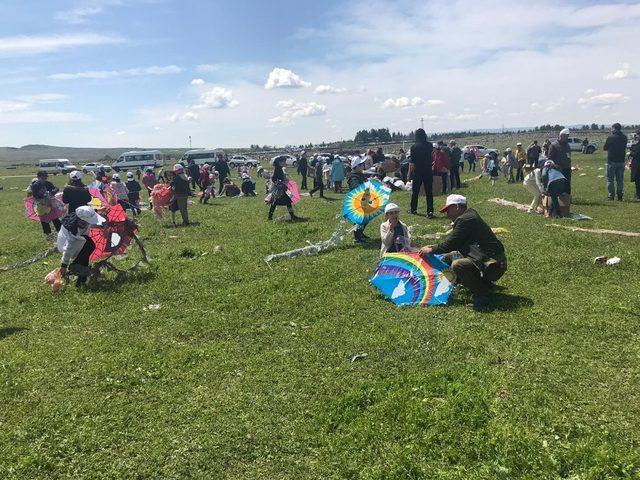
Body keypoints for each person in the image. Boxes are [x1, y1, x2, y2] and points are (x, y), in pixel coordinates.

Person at [419, 194, 507, 310]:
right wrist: (434, 247)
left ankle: (482, 295)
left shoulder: (465, 220)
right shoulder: (469, 215)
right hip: (489, 258)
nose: (447, 214)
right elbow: (453, 243)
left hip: (493, 264)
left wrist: (430, 249)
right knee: (448, 257)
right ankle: (477, 284)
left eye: (448, 210)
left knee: (458, 265)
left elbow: (450, 244)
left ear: (456, 207)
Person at [57, 205, 106, 287]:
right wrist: (64, 265)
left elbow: (87, 213)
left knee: (90, 245)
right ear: (83, 221)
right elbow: (68, 250)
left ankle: (80, 275)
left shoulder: (80, 217)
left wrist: (98, 210)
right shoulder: (74, 233)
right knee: (86, 252)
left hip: (81, 237)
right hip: (67, 242)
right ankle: (78, 273)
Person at [408, 128, 434, 217]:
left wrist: (408, 174)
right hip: (428, 171)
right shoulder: (430, 145)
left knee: (415, 192)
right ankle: (430, 211)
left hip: (418, 172)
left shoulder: (414, 147)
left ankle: (413, 209)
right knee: (429, 192)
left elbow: (412, 163)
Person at [268, 157, 301, 221]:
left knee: (287, 201)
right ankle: (270, 216)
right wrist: (280, 182)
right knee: (276, 202)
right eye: (284, 161)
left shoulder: (279, 168)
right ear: (280, 162)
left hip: (283, 189)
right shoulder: (278, 169)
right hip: (280, 190)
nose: (285, 163)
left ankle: (292, 216)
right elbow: (274, 179)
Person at [31, 171, 62, 237]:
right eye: (42, 178)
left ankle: (60, 232)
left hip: (50, 203)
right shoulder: (35, 185)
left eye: (45, 178)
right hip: (41, 205)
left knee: (55, 218)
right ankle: (48, 234)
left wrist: (52, 192)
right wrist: (42, 194)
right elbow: (35, 196)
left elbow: (56, 188)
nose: (44, 179)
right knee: (44, 220)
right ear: (38, 177)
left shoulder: (48, 183)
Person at [603, 122, 628, 201]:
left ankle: (611, 196)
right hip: (621, 161)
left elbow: (605, 148)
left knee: (610, 179)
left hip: (612, 161)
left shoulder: (610, 137)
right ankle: (620, 196)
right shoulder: (624, 137)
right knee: (620, 180)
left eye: (612, 128)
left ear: (614, 128)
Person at [347, 156, 370, 243]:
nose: (363, 166)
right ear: (356, 167)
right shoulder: (353, 177)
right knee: (360, 220)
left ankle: (360, 233)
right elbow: (355, 188)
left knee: (365, 219)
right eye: (361, 164)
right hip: (358, 202)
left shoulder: (359, 175)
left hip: (364, 201)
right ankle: (357, 237)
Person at [548, 128, 572, 194]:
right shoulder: (553, 145)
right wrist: (555, 166)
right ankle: (559, 200)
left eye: (567, 136)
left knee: (567, 185)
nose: (567, 138)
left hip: (567, 168)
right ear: (561, 136)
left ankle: (567, 199)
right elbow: (550, 159)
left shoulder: (567, 145)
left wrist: (570, 165)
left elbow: (569, 157)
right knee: (559, 186)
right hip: (558, 169)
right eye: (565, 136)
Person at [629, 130, 640, 200]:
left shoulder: (637, 145)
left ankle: (638, 194)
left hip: (638, 164)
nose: (636, 136)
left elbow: (635, 153)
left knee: (638, 180)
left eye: (637, 135)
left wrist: (631, 152)